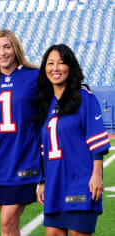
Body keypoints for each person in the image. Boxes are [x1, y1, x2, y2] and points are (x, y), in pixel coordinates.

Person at [35, 44, 110, 236]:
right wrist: (42, 181)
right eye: (50, 63)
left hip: (81, 181)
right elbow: (44, 147)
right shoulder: (45, 103)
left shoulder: (84, 98)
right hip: (54, 183)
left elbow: (96, 141)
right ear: (45, 69)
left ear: (71, 67)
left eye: (61, 63)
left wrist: (97, 175)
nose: (56, 68)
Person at [0, 29, 42, 235]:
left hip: (25, 158)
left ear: (15, 48)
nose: (2, 52)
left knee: (7, 221)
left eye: (7, 47)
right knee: (8, 224)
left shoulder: (35, 76)